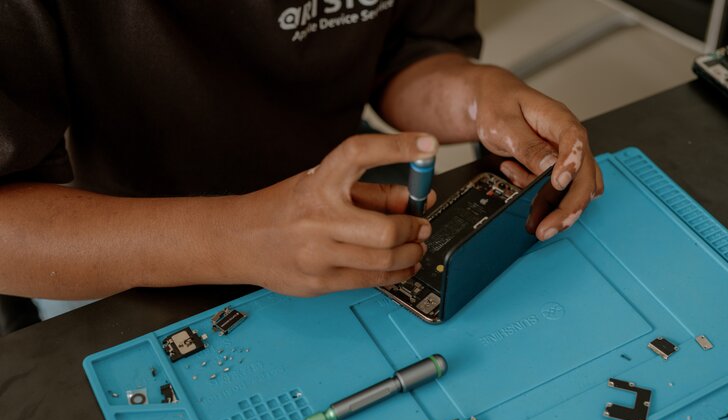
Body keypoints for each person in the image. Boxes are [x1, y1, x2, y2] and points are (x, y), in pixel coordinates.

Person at [0, 0, 602, 308]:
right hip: (121, 245)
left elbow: (406, 53)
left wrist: (479, 96)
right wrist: (237, 237)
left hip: (346, 206)